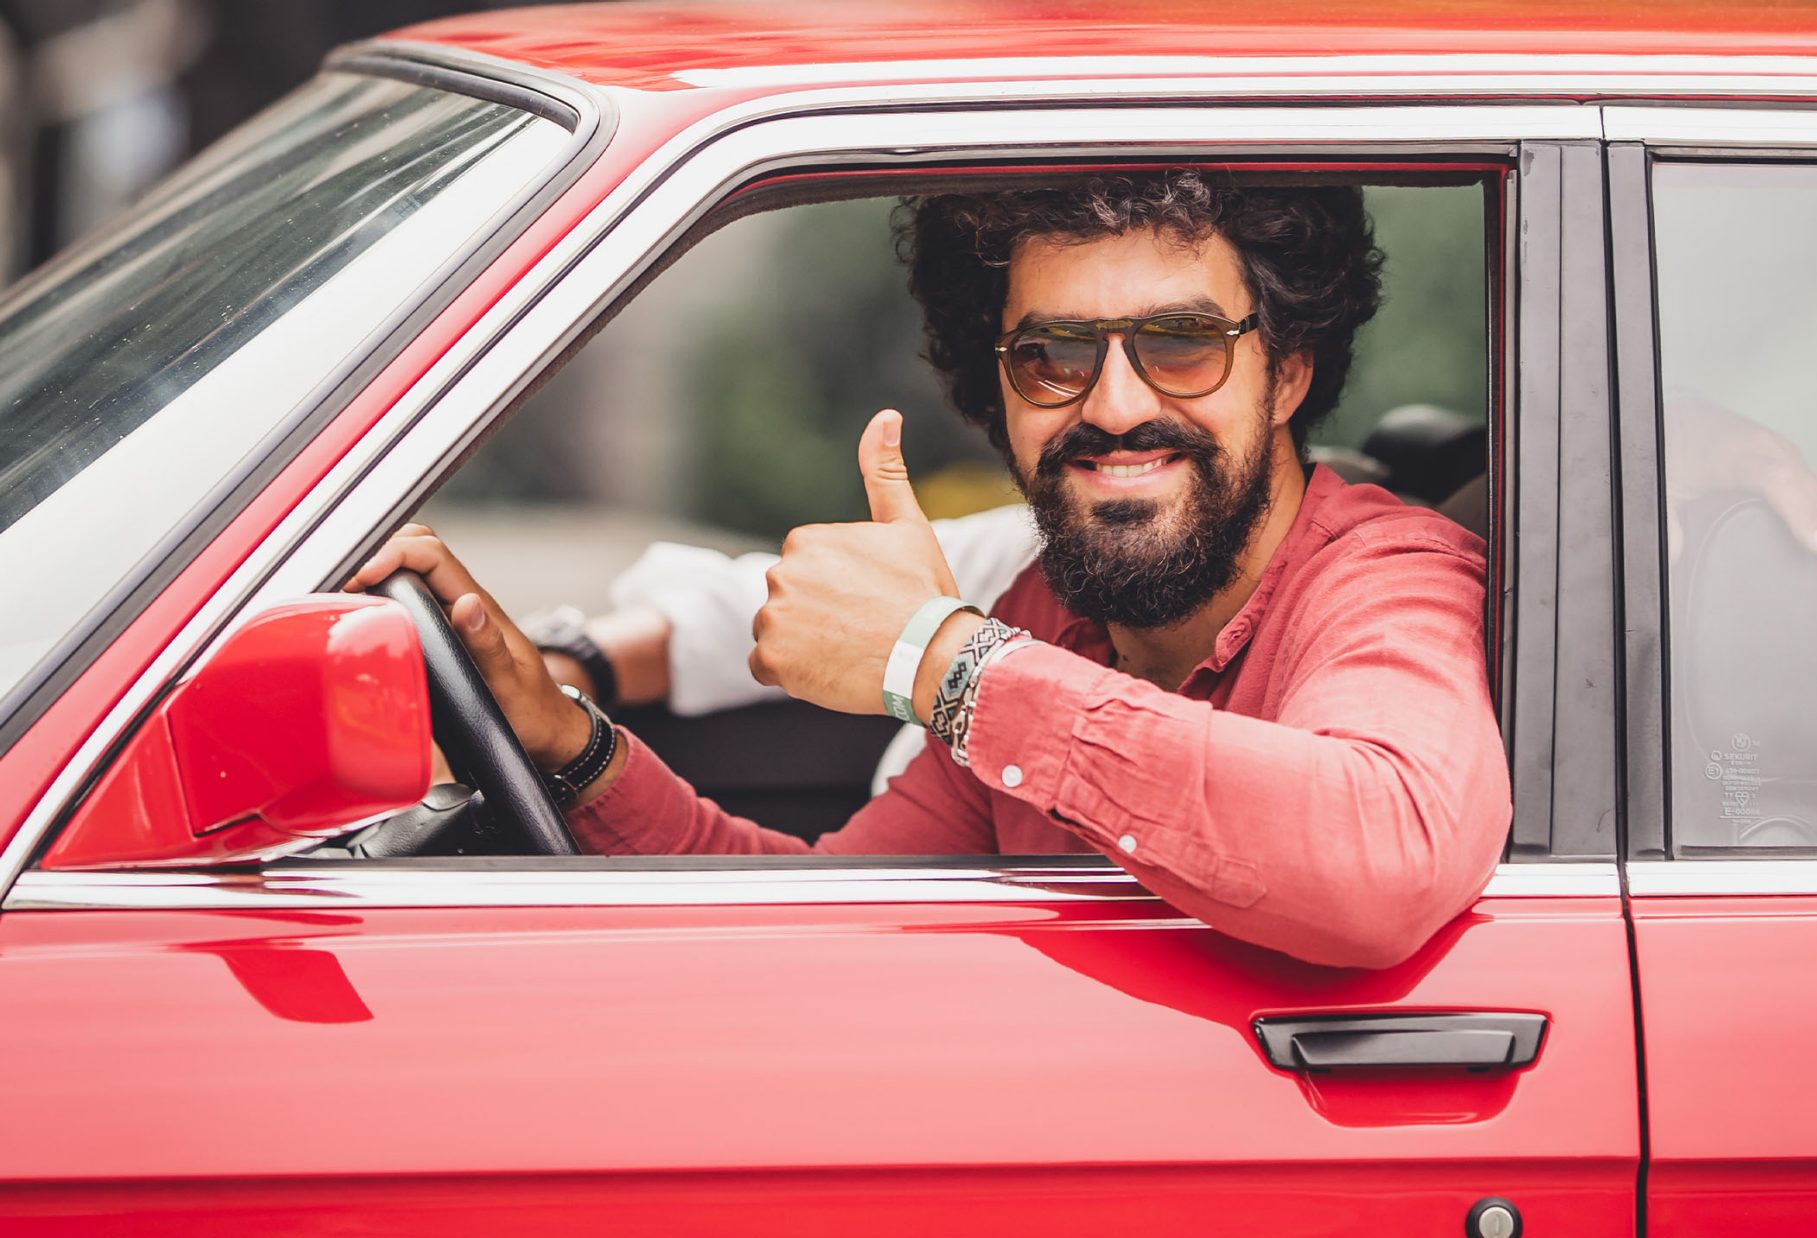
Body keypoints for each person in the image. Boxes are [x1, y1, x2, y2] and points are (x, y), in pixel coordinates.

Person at [350, 172, 1514, 969]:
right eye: (1053, 355)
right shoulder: (1050, 614)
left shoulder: (1385, 576)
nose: (1115, 406)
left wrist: (941, 660)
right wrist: (569, 745)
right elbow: (834, 915)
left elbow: (1386, 851)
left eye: (1181, 344)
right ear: (997, 388)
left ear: (1291, 373)